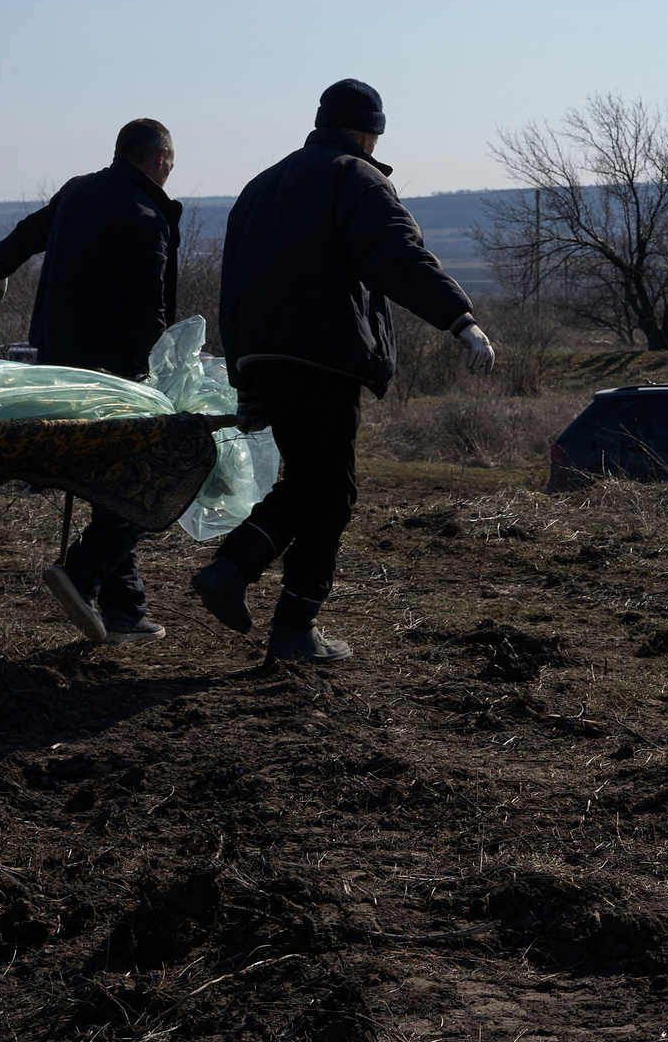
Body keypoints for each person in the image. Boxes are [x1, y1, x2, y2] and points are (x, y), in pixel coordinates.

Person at [191, 79, 495, 663]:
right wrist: (459, 318)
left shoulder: (260, 186)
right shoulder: (355, 178)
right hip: (321, 359)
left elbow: (235, 289)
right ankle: (279, 613)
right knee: (329, 491)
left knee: (310, 484)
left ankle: (247, 583)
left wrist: (244, 374)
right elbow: (397, 256)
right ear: (368, 132)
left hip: (265, 358)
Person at [0, 118, 183, 645]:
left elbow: (29, 233)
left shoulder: (78, 191)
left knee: (109, 478)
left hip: (56, 365)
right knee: (151, 475)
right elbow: (147, 310)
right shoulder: (144, 216)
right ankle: (82, 572)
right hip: (111, 374)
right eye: (171, 163)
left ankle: (125, 608)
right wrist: (156, 375)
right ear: (158, 159)